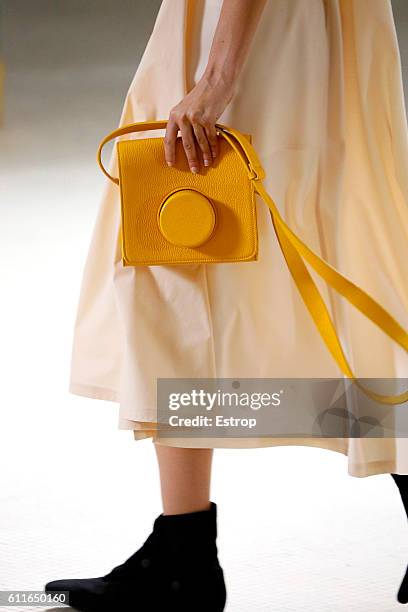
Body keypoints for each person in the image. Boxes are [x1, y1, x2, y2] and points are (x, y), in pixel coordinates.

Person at [45, 0, 408, 609]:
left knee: (173, 246)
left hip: (244, 24)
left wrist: (217, 77)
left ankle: (182, 558)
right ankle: (181, 551)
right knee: (341, 252)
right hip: (312, 24)